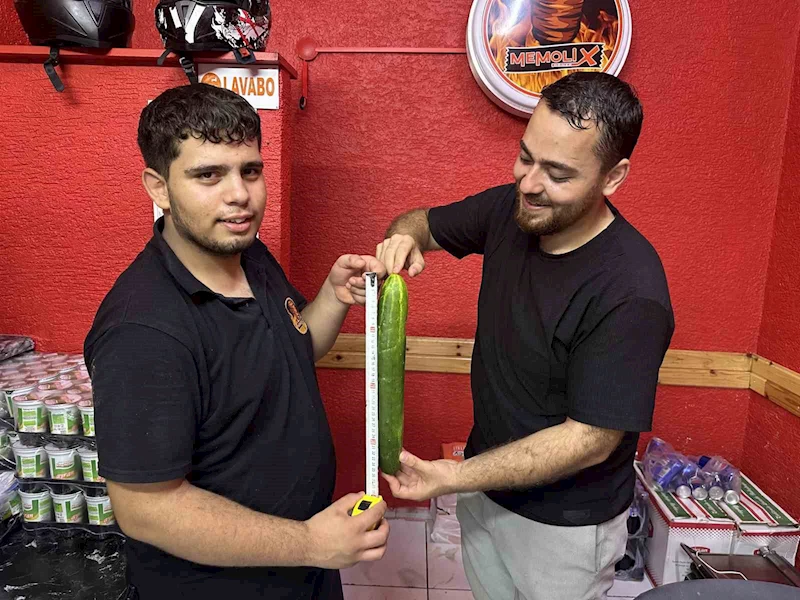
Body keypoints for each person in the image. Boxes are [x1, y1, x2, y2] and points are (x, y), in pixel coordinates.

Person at [84, 84, 389, 600]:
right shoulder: (143, 330)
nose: (240, 195)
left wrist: (333, 296)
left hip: (304, 567)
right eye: (208, 175)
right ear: (159, 187)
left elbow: (295, 349)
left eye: (250, 170)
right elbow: (146, 508)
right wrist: (310, 543)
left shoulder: (248, 255)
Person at [376, 72, 674, 600]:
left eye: (558, 173)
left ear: (613, 177)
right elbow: (419, 222)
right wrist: (402, 239)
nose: (530, 183)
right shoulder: (510, 210)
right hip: (485, 490)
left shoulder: (631, 290)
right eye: (524, 157)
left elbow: (588, 440)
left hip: (565, 529)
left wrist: (453, 476)